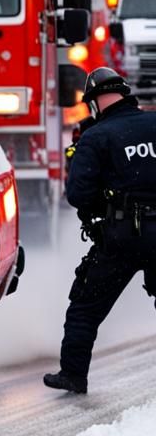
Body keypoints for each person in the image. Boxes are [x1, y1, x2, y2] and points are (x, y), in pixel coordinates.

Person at [44, 67, 156, 394]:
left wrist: (98, 217)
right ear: (125, 93)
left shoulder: (96, 137)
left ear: (94, 103)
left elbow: (78, 193)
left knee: (85, 306)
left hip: (121, 237)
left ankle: (73, 375)